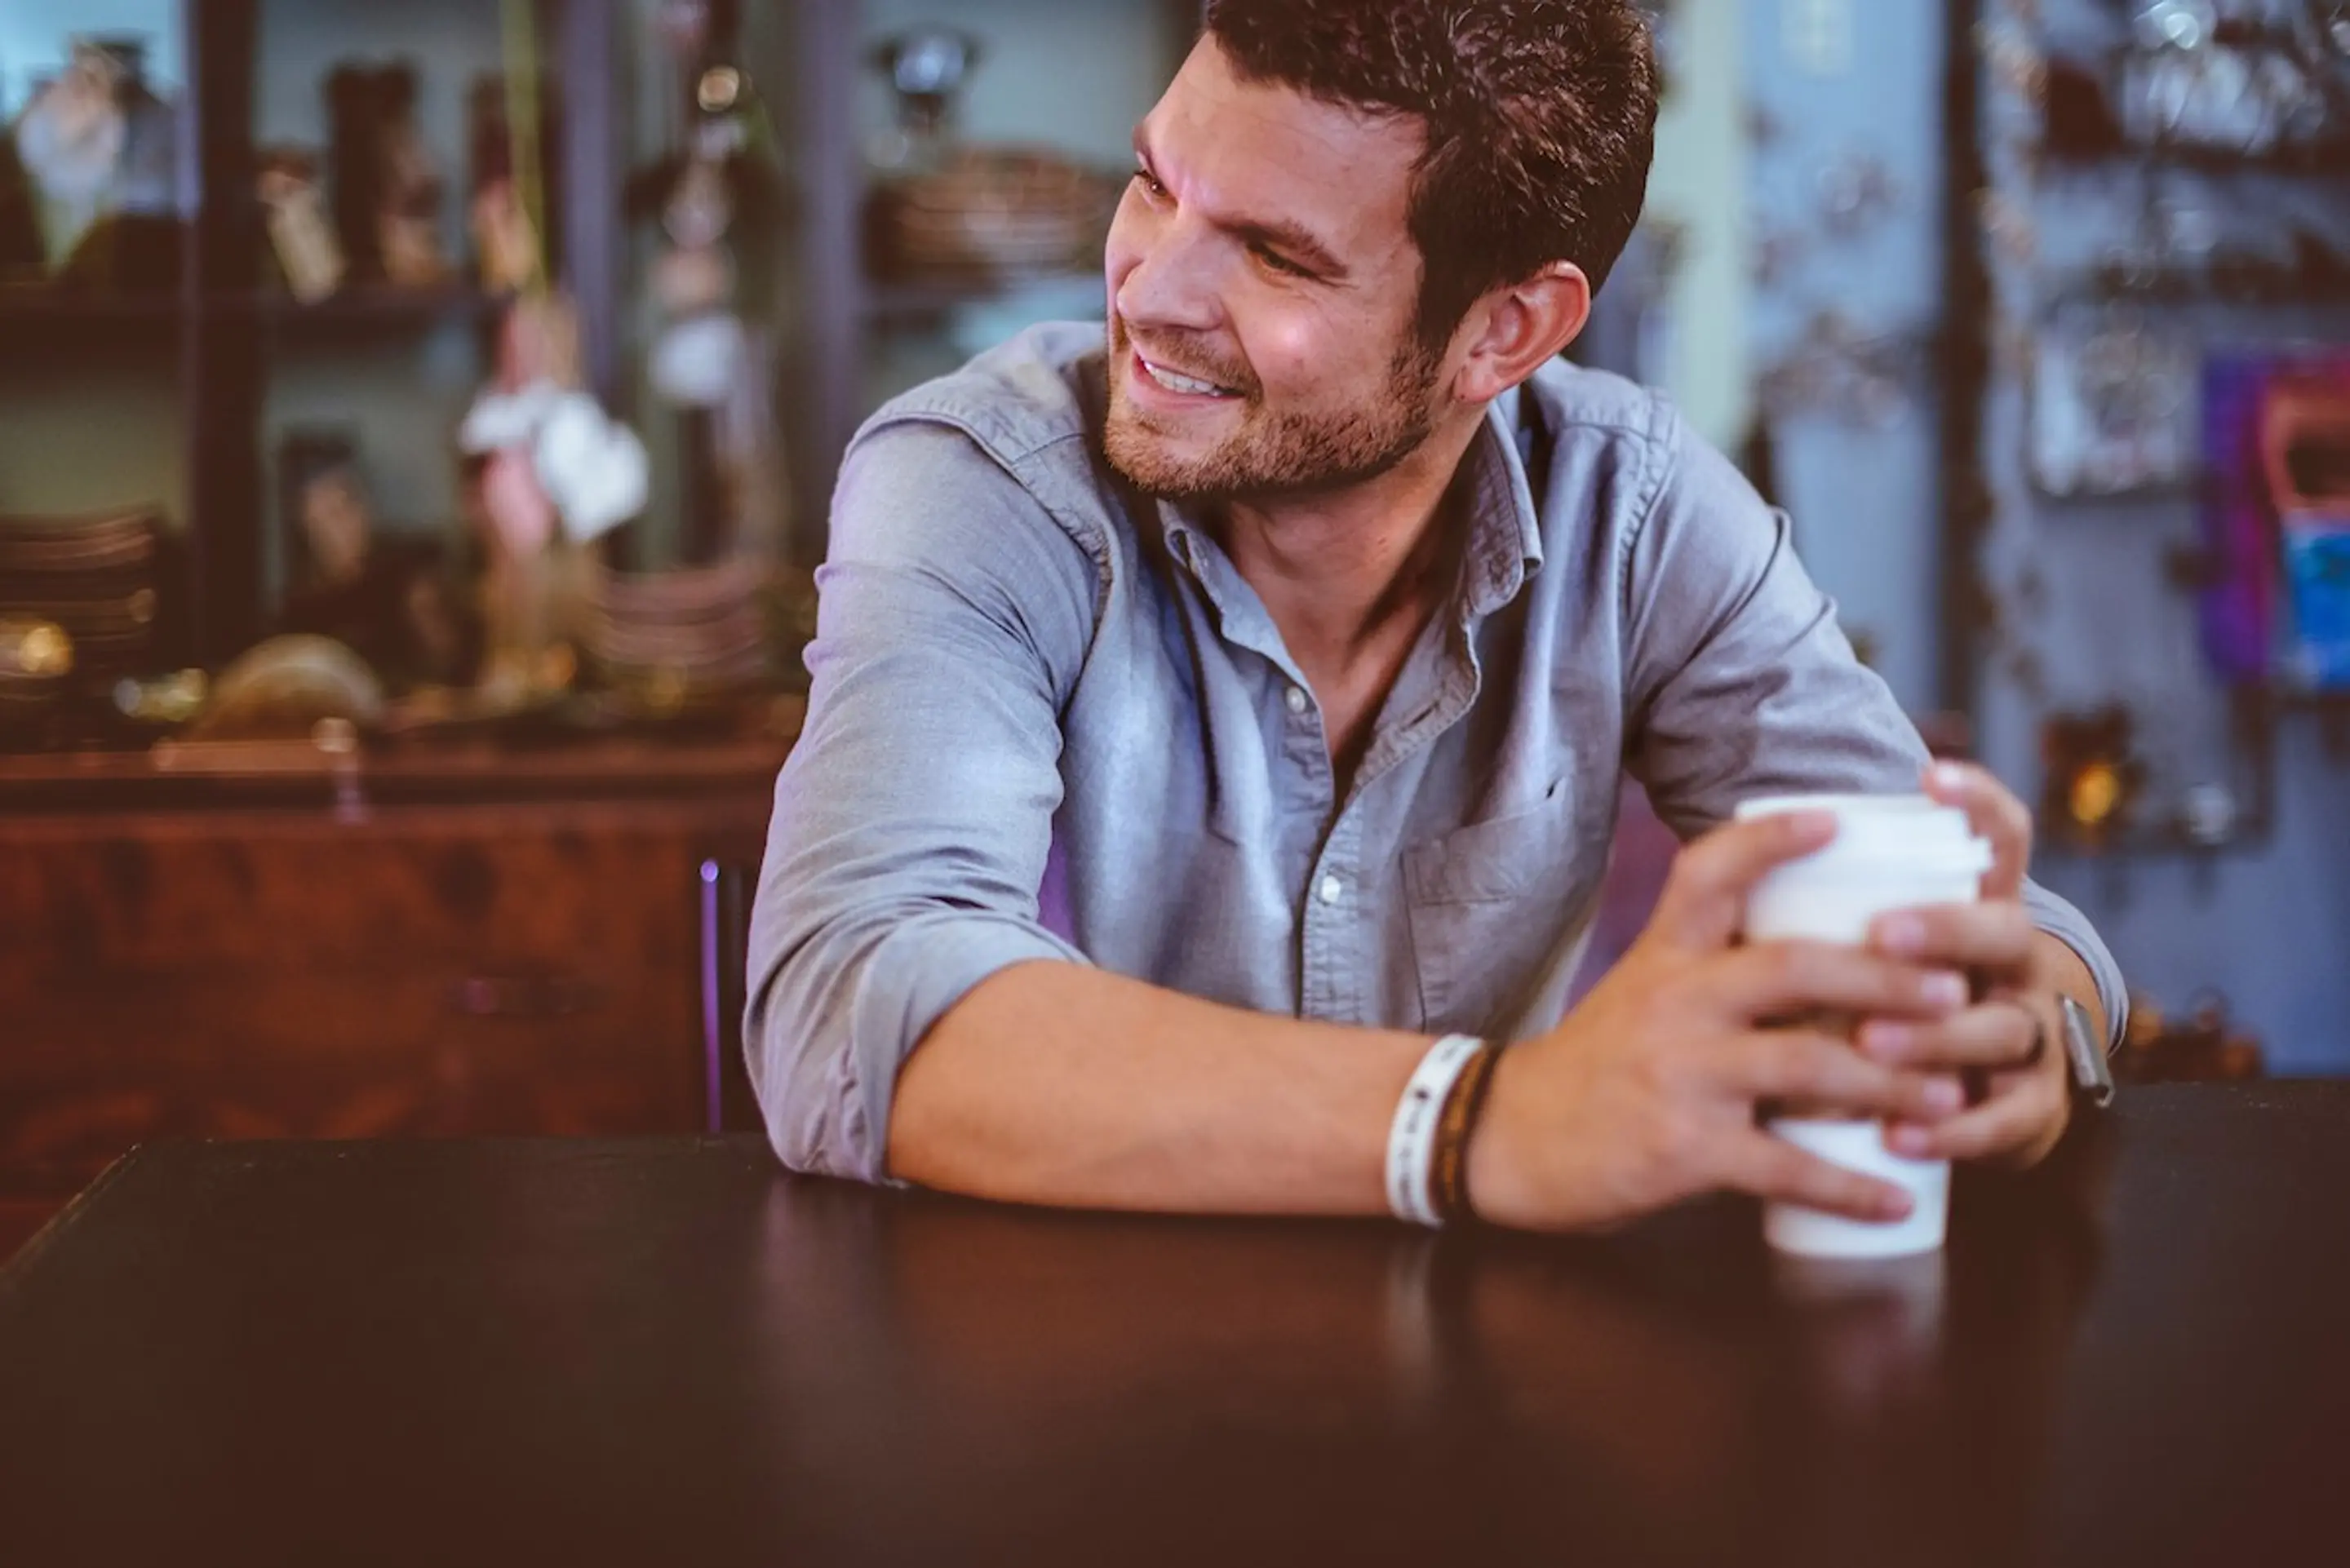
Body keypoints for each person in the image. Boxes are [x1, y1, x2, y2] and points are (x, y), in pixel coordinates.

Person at [747, 0, 2125, 1233]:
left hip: (1487, 1411)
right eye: (1154, 184)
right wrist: (1488, 1122)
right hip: (1059, 1395)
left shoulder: (1634, 512)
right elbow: (854, 1005)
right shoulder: (981, 479)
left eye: (1276, 256)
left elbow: (2010, 932)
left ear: (1505, 333)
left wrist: (2017, 1025)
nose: (1149, 292)